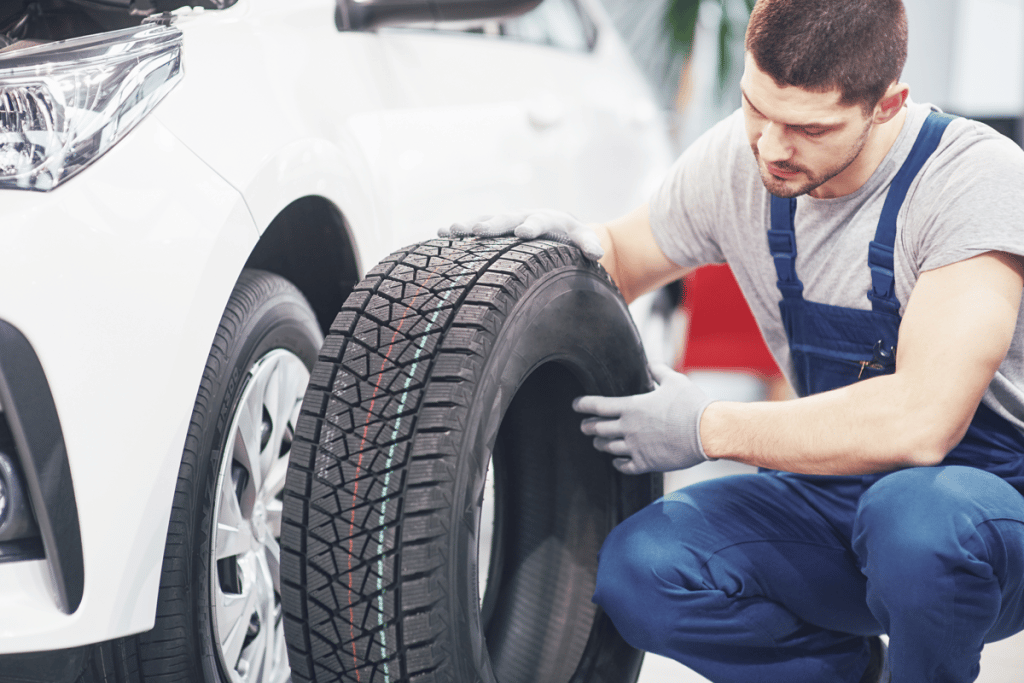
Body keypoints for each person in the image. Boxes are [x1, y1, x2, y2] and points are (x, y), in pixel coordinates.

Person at [441, 0, 1024, 680]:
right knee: (643, 568)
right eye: (756, 109)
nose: (772, 148)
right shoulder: (739, 162)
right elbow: (622, 260)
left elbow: (923, 421)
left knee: (916, 522)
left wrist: (704, 427)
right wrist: (554, 251)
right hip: (834, 496)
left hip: (984, 513)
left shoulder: (973, 181)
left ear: (888, 105)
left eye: (809, 128)